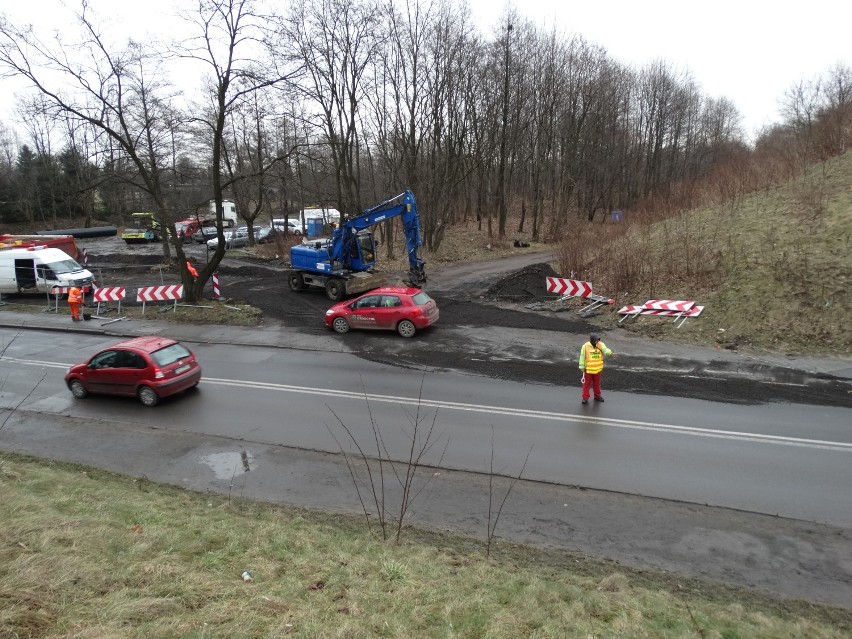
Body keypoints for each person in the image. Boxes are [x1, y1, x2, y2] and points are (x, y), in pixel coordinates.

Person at [579, 332, 614, 405]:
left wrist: (610, 353)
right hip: (588, 370)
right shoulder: (585, 346)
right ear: (592, 340)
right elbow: (582, 357)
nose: (597, 341)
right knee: (586, 385)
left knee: (597, 384)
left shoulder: (601, 344)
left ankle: (597, 396)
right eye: (596, 340)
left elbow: (605, 350)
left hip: (598, 370)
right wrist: (582, 367)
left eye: (598, 340)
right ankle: (585, 398)